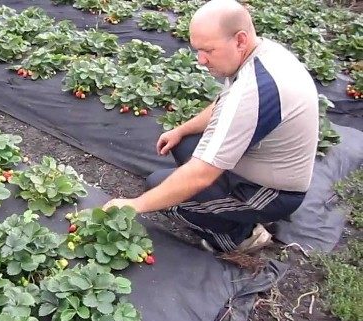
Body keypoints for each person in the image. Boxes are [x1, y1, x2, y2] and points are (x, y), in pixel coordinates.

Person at [103, 0, 319, 252]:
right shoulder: (260, 55)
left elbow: (200, 175)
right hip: (255, 162)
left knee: (159, 191)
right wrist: (181, 130)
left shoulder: (256, 92)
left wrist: (134, 205)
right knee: (184, 144)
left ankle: (241, 236)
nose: (201, 60)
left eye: (208, 50)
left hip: (273, 192)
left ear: (240, 40)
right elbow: (222, 104)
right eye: (197, 50)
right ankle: (232, 211)